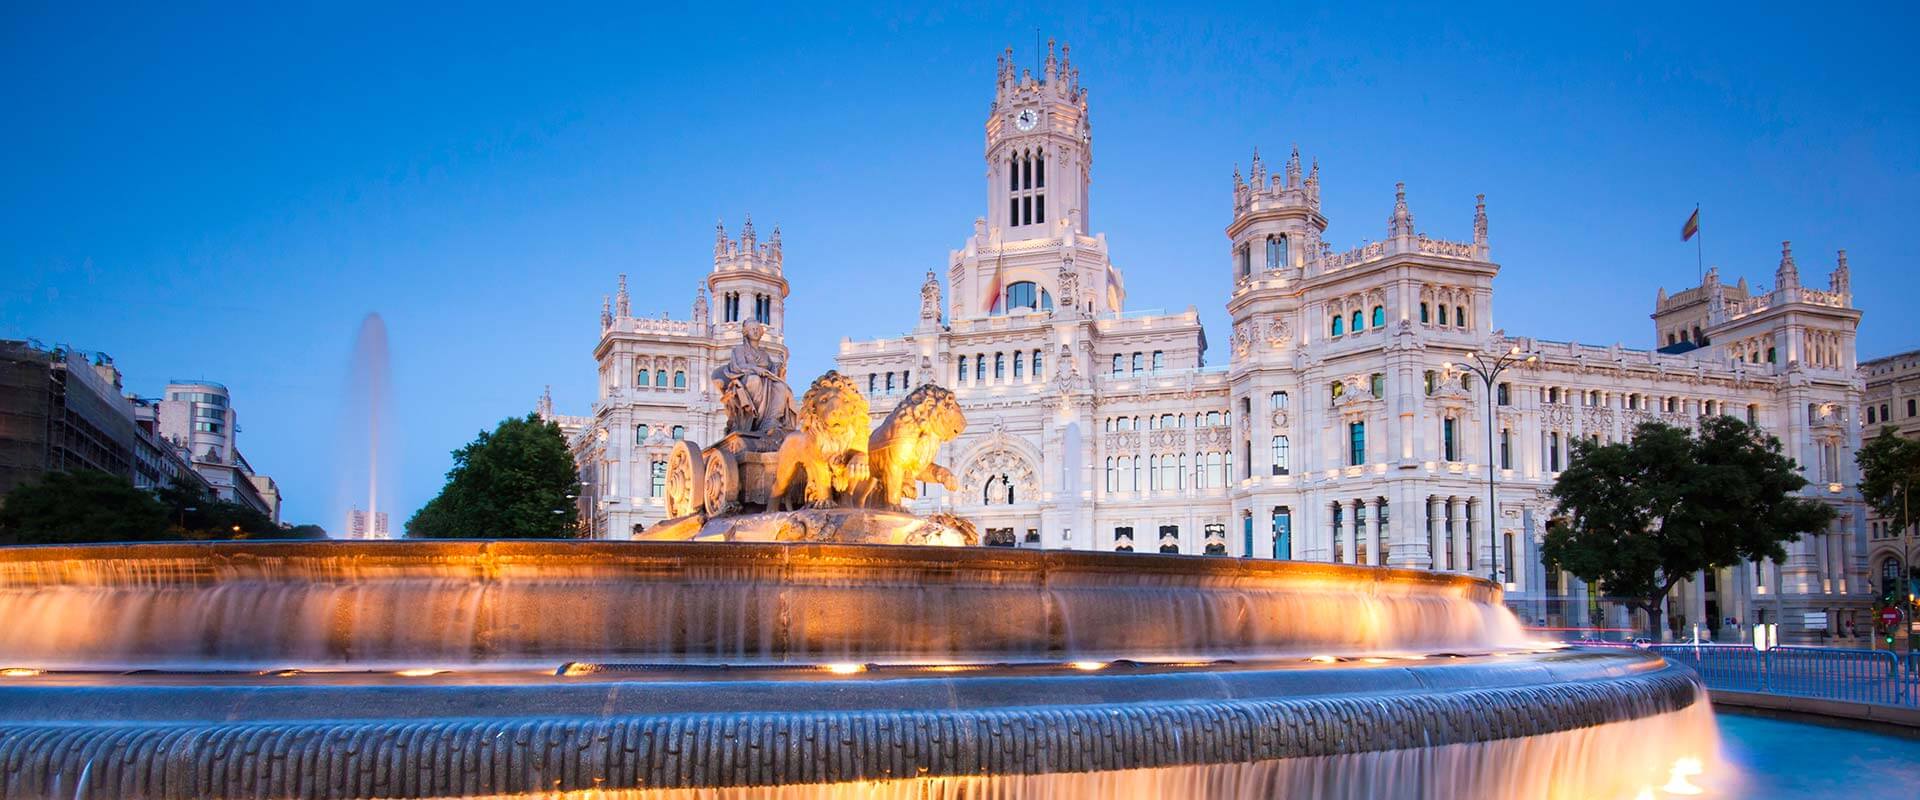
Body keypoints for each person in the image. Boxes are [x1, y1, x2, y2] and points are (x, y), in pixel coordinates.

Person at [710, 321, 798, 438]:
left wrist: (778, 369)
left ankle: (770, 420)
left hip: (766, 381)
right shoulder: (739, 350)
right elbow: (739, 366)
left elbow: (772, 370)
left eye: (757, 329)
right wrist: (756, 369)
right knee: (755, 380)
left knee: (782, 387)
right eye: (752, 329)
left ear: (761, 333)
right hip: (744, 379)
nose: (755, 331)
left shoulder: (764, 354)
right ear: (746, 332)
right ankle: (756, 418)